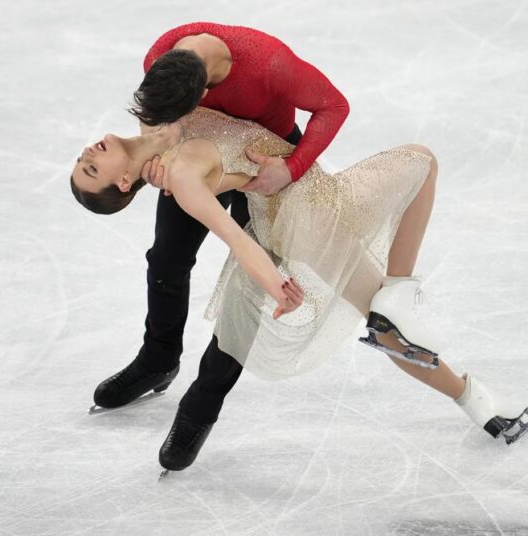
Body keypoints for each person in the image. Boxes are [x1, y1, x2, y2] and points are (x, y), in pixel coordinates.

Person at [70, 105, 528, 474]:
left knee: (385, 306)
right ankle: (464, 386)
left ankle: (430, 340)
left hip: (307, 206)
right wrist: (277, 284)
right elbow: (235, 234)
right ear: (125, 182)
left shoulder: (163, 118)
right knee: (421, 161)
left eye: (82, 161)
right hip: (310, 221)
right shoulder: (181, 173)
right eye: (91, 170)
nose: (87, 155)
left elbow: (238, 167)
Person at [89, 23, 351, 424]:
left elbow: (334, 105)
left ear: (206, 95)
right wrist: (163, 147)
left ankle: (204, 401)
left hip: (266, 161)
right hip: (201, 159)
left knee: (246, 289)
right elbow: (153, 119)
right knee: (166, 260)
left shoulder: (270, 65)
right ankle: (158, 359)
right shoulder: (160, 59)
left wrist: (292, 168)